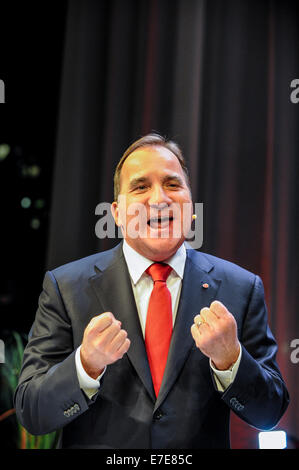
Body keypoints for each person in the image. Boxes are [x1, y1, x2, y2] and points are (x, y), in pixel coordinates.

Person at [14, 133, 289, 449]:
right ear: (116, 214)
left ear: (191, 207)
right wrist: (85, 365)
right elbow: (31, 412)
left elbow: (270, 413)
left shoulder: (241, 287)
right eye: (141, 186)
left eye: (173, 185)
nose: (159, 199)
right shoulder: (65, 287)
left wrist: (231, 360)